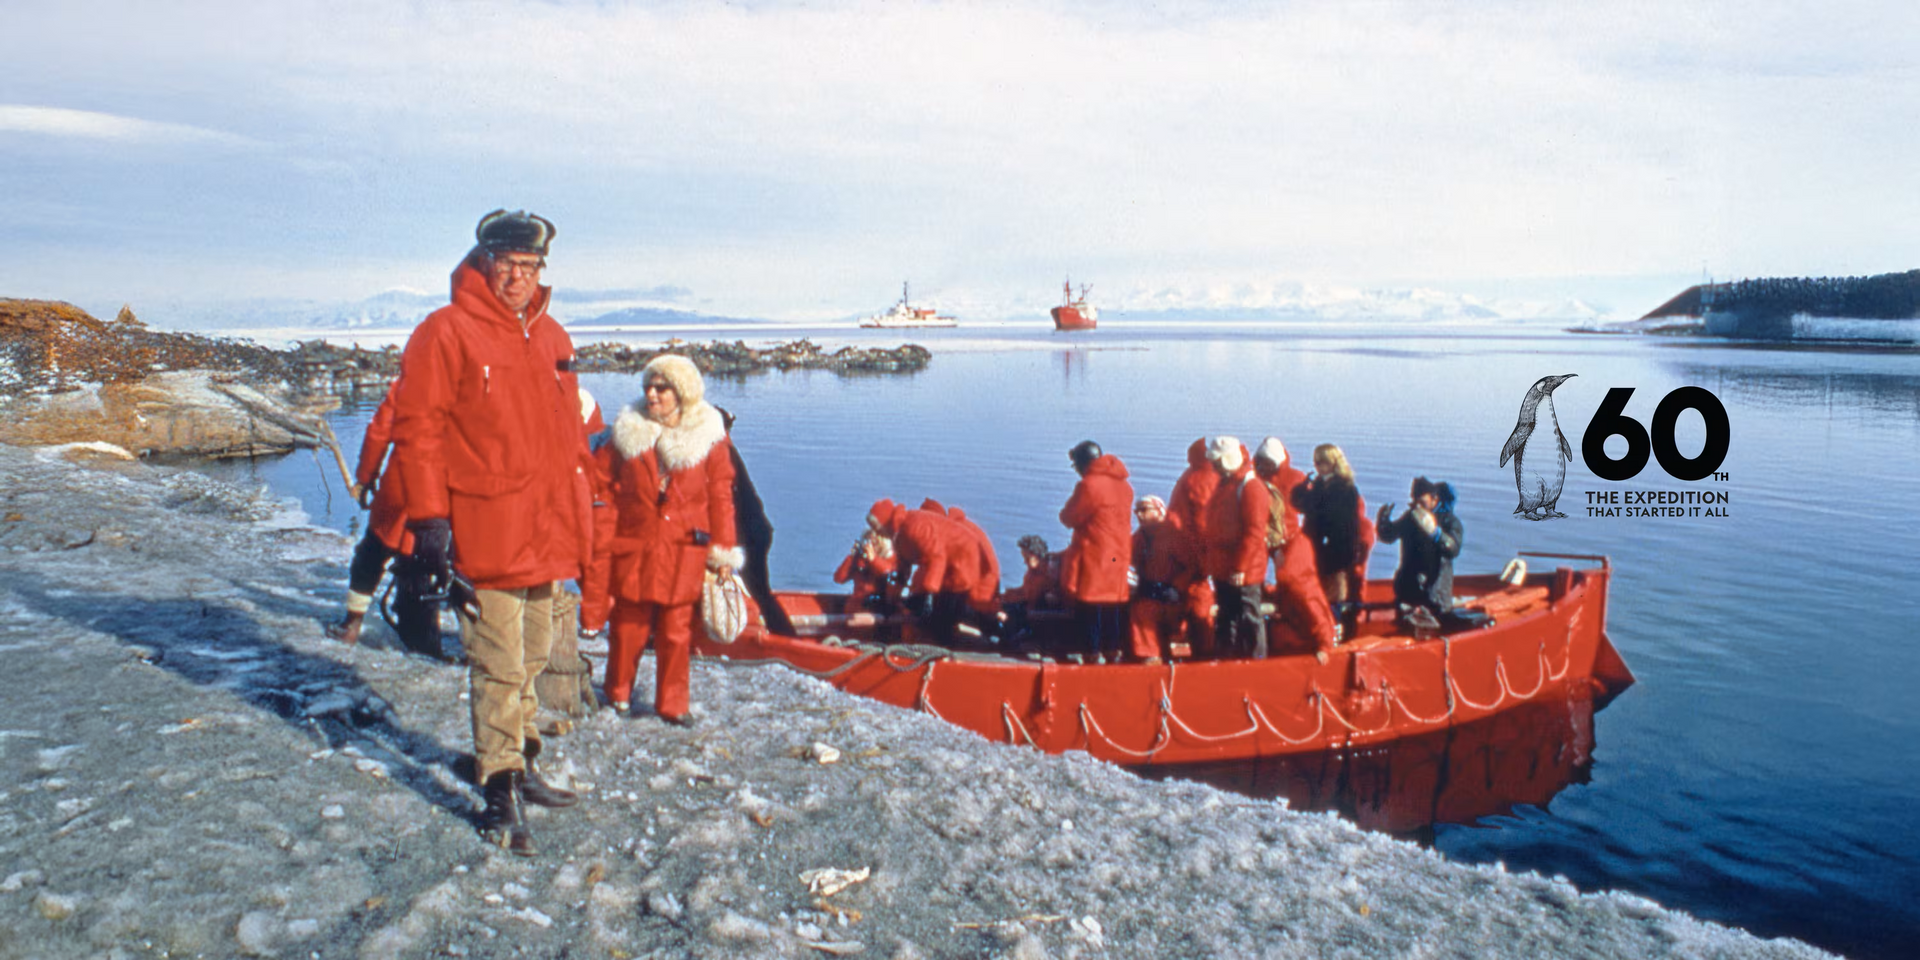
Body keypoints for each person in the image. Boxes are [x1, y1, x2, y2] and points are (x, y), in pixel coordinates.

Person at [387, 209, 590, 855]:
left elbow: (568, 443)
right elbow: (417, 433)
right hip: (486, 530)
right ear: (483, 262)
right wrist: (430, 522)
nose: (520, 278)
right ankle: (498, 787)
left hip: (547, 529)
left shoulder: (553, 336)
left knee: (533, 656)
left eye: (531, 267)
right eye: (509, 265)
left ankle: (523, 763)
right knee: (499, 664)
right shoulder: (445, 333)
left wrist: (588, 513)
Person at [599, 354, 741, 726]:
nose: (652, 393)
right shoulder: (627, 431)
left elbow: (722, 496)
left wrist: (723, 552)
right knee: (628, 624)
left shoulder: (710, 436)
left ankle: (673, 704)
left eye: (661, 387)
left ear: (682, 392)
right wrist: (604, 531)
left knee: (677, 630)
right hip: (635, 545)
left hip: (684, 549)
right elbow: (602, 484)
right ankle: (617, 692)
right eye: (649, 385)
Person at [326, 380, 432, 654]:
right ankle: (425, 639)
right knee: (423, 562)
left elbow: (378, 432)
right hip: (444, 493)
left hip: (402, 487)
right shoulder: (472, 382)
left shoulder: (412, 381)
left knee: (370, 554)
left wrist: (365, 478)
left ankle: (351, 625)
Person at [1252, 437, 1338, 661]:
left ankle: (1325, 640)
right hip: (1272, 543)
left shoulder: (1295, 479)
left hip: (1292, 541)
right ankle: (1297, 637)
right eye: (1260, 462)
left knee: (1299, 585)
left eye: (1267, 462)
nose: (1263, 466)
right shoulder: (1256, 481)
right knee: (1283, 587)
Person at [1057, 440, 1134, 663]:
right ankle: (1112, 654)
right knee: (1113, 605)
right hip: (1118, 554)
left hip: (1096, 553)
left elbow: (1069, 517)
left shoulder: (1089, 486)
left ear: (1083, 463)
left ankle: (1090, 657)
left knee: (1090, 606)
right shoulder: (1125, 486)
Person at [866, 498, 976, 645]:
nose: (876, 533)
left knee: (942, 618)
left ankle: (945, 651)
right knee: (926, 609)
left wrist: (928, 594)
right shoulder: (900, 537)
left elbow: (937, 557)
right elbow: (903, 570)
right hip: (948, 568)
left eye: (876, 527)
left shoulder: (914, 526)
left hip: (963, 562)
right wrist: (893, 598)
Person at [1201, 436, 1269, 659]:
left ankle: (1256, 664)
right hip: (1224, 567)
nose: (1214, 467)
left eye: (1218, 462)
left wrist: (1240, 567)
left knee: (1249, 616)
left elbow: (1254, 532)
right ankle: (1227, 659)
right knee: (1227, 615)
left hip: (1243, 569)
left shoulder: (1251, 487)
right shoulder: (1227, 484)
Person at [1376, 476, 1464, 628]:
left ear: (1434, 499)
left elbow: (1453, 549)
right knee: (1406, 625)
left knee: (1434, 628)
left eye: (1422, 502)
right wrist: (1383, 523)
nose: (1419, 506)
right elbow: (1389, 536)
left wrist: (1436, 534)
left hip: (1436, 592)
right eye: (1416, 502)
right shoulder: (1411, 517)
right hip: (1409, 587)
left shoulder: (1449, 522)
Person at [1292, 443, 1373, 609]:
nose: (1318, 466)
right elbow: (1305, 507)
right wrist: (1300, 491)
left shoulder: (1344, 489)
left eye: (1322, 462)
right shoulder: (1320, 485)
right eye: (1316, 462)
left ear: (1333, 463)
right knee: (1320, 594)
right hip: (1318, 549)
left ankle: (1337, 628)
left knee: (1334, 596)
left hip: (1336, 553)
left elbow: (1342, 525)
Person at [1128, 495, 1195, 664]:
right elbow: (1121, 556)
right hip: (1150, 589)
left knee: (1143, 611)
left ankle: (1151, 655)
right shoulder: (1140, 537)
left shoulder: (1174, 535)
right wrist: (1112, 561)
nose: (1139, 515)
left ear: (1159, 511)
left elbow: (1192, 566)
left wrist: (1177, 587)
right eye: (1137, 511)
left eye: (1144, 510)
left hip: (1171, 593)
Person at [998, 534, 1060, 653]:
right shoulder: (1033, 572)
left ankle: (1011, 640)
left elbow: (1031, 596)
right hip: (1028, 605)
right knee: (1004, 605)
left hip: (1035, 612)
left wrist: (1008, 600)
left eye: (1027, 558)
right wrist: (1006, 595)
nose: (1025, 562)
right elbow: (1025, 590)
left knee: (1008, 612)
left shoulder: (1047, 574)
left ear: (1036, 556)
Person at [833, 528, 899, 615]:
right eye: (869, 540)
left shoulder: (892, 559)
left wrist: (873, 560)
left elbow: (890, 576)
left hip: (879, 609)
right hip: (856, 607)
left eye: (876, 541)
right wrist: (852, 557)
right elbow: (839, 578)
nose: (871, 544)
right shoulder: (859, 559)